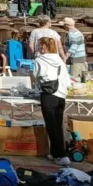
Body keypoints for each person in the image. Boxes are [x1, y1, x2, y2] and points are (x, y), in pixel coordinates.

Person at [34, 37, 71, 166]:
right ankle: (55, 152)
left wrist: (36, 88)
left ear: (46, 47)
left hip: (49, 94)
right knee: (58, 125)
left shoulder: (39, 60)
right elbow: (66, 79)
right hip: (61, 94)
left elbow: (36, 76)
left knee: (51, 126)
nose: (40, 48)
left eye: (41, 45)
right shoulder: (59, 60)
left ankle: (61, 155)